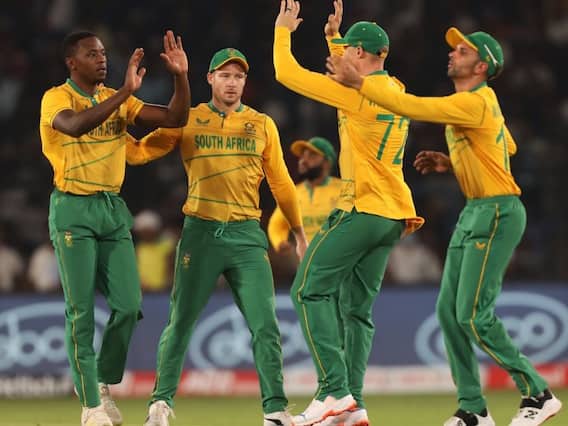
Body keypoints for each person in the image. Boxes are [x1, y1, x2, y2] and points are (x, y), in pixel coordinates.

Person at [326, 25, 563, 426]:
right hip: (475, 210)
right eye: (454, 48)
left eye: (463, 51)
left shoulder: (474, 102)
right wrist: (456, 163)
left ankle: (538, 394)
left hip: (497, 212)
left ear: (482, 66)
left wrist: (360, 83)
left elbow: (412, 107)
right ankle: (473, 409)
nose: (452, 53)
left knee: (473, 316)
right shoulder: (478, 104)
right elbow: (506, 145)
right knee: (449, 315)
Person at [127, 47, 307, 426]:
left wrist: (299, 232)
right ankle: (160, 406)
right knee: (181, 322)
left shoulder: (261, 124)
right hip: (201, 234)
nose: (232, 82)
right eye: (224, 75)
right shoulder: (188, 119)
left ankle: (275, 410)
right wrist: (107, 133)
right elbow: (140, 153)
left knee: (265, 326)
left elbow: (282, 183)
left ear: (245, 82)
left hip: (246, 236)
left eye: (238, 76)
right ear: (209, 79)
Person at [274, 1, 424, 424]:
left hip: (362, 208)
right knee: (357, 312)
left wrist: (283, 31)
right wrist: (333, 38)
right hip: (394, 215)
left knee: (308, 290)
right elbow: (355, 68)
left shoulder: (356, 95)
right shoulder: (395, 88)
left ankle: (334, 391)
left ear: (359, 54)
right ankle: (352, 404)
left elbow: (286, 73)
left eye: (347, 52)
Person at [39, 30, 190, 426]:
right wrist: (124, 93)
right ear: (72, 62)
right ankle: (91, 406)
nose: (102, 59)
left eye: (103, 53)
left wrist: (180, 76)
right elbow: (74, 126)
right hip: (72, 207)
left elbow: (175, 118)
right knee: (81, 312)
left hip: (111, 208)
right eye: (92, 54)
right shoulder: (56, 98)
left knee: (128, 306)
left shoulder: (116, 98)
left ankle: (100, 382)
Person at [267, 136, 341, 254]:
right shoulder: (293, 193)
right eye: (303, 156)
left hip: (339, 261)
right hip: (306, 262)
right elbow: (277, 224)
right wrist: (280, 242)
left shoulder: (344, 191)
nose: (303, 161)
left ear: (327, 163)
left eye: (312, 156)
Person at [132, 210, 175, 292]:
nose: (141, 233)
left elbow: (172, 269)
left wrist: (167, 285)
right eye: (140, 231)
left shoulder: (168, 246)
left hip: (163, 293)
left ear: (153, 230)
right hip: (143, 292)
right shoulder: (139, 248)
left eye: (144, 230)